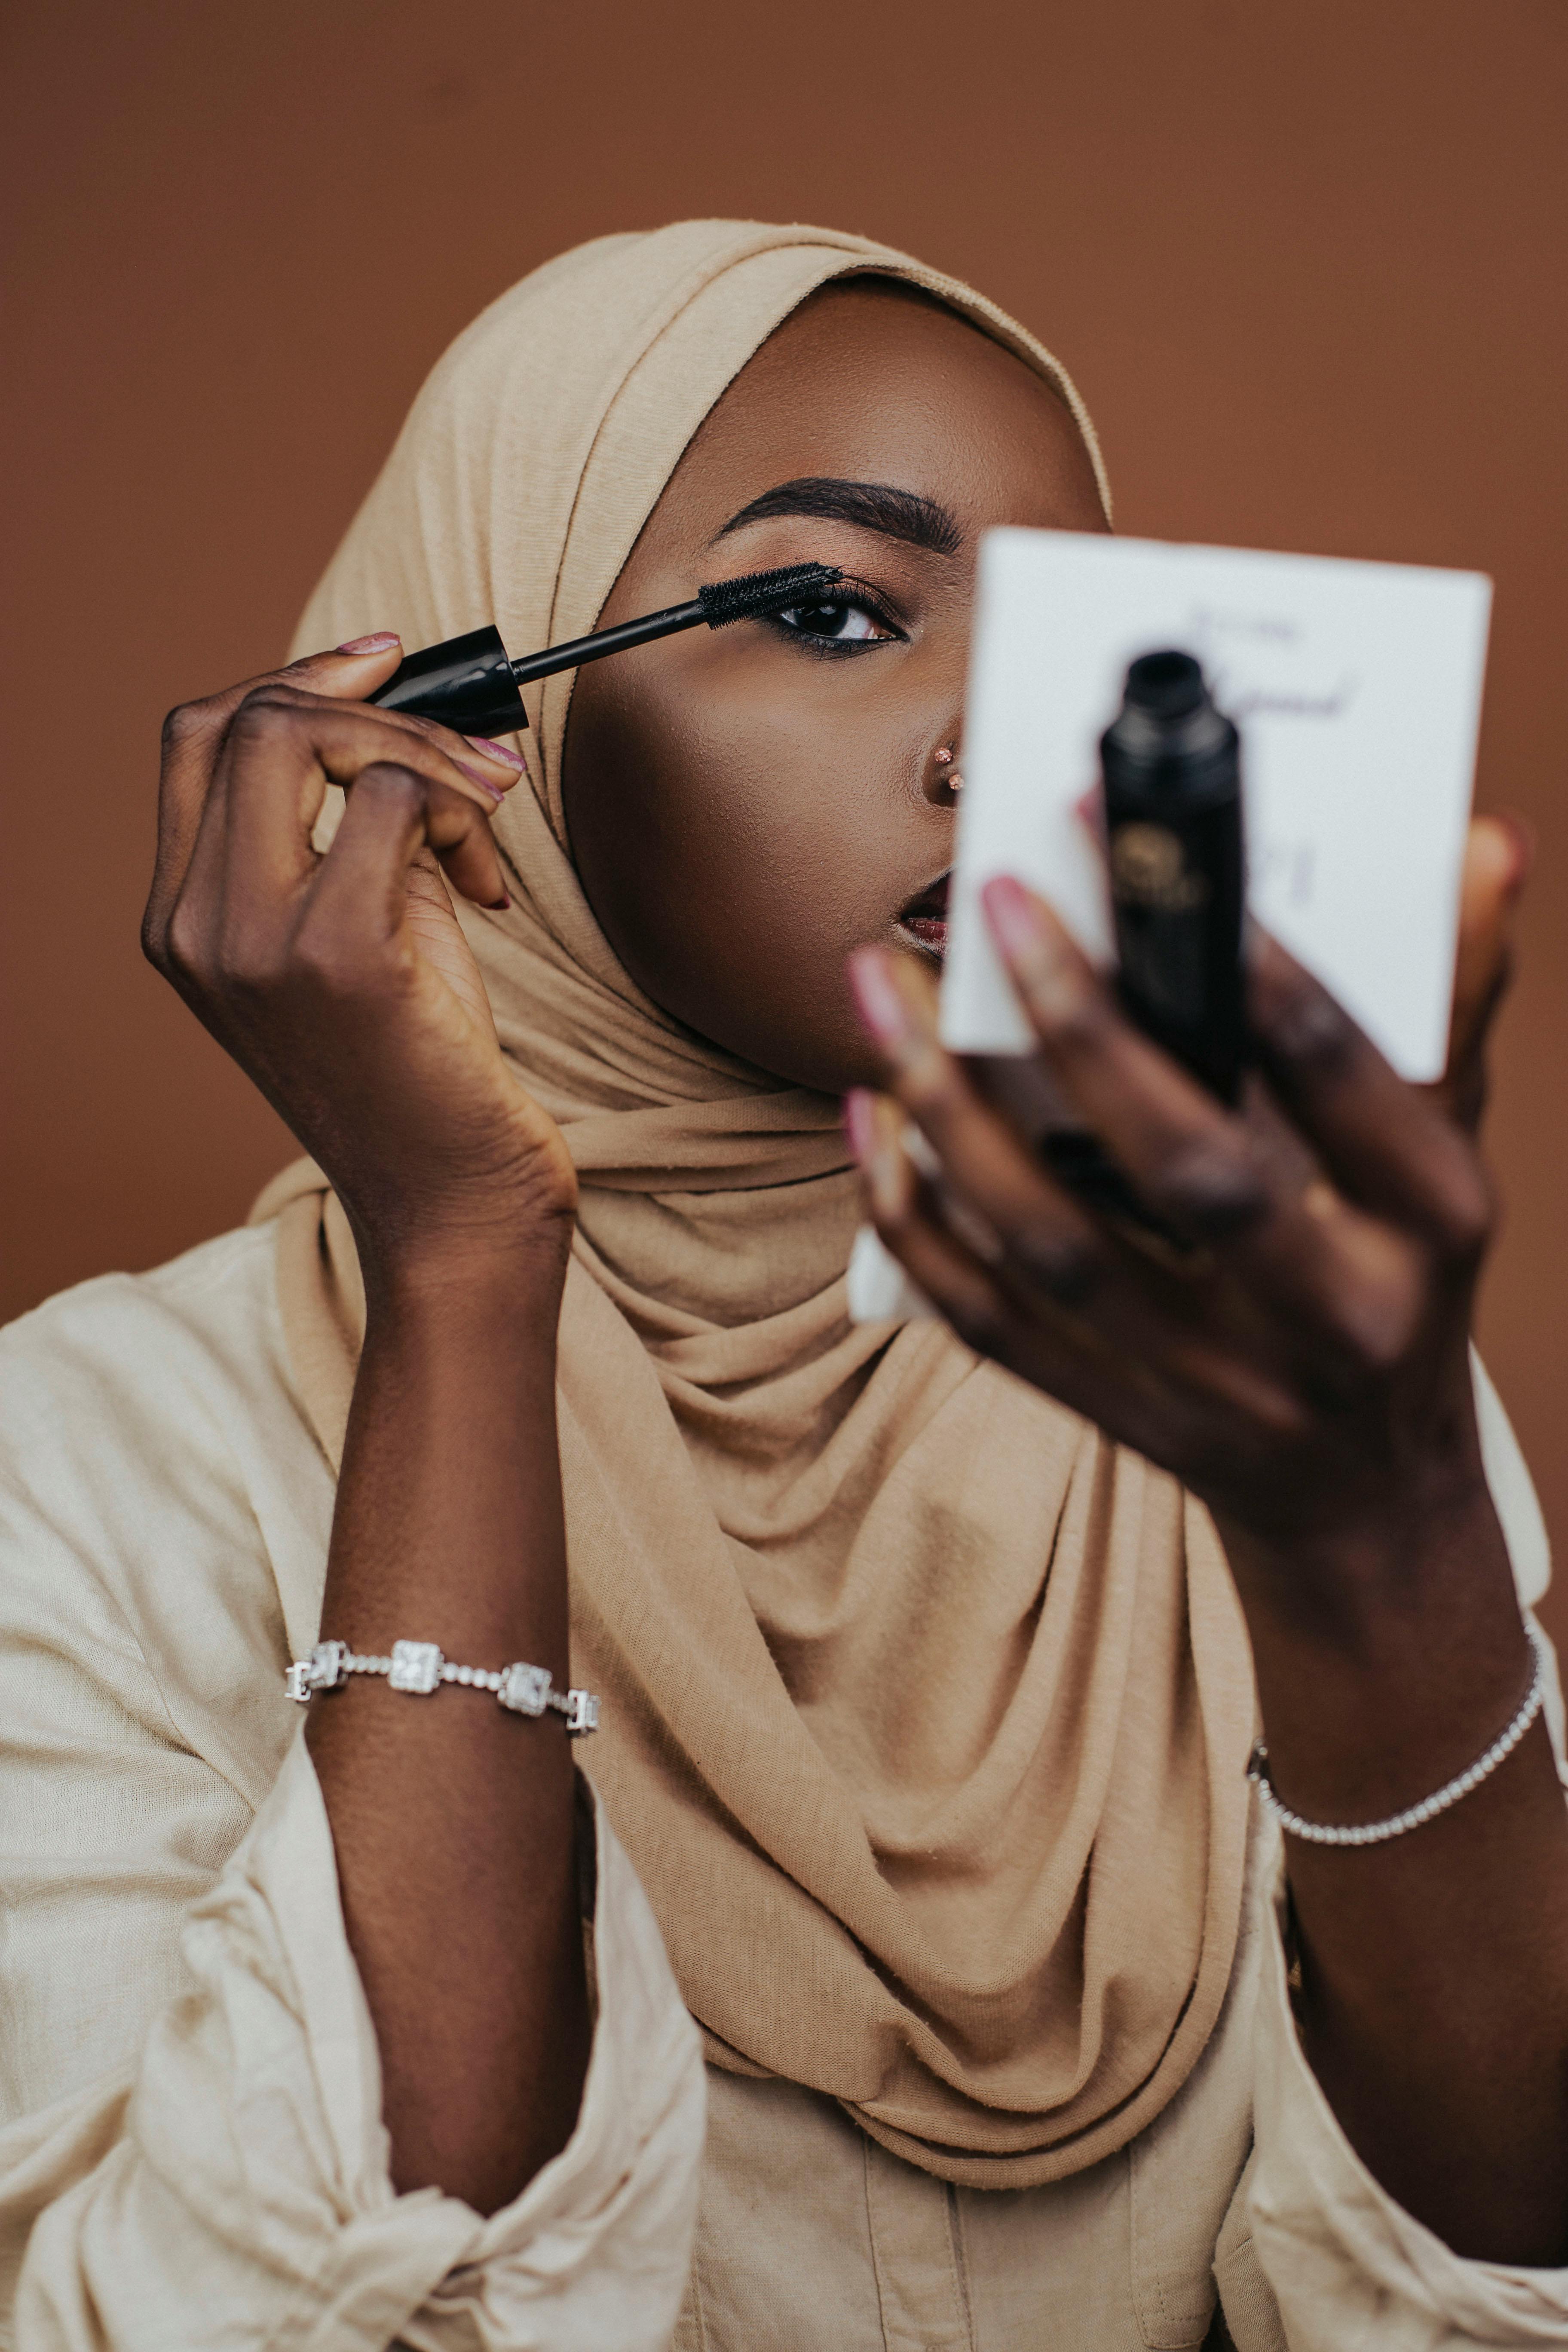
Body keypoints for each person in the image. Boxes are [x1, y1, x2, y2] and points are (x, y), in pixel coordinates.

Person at [2, 218, 1565, 2350]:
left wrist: (1375, 1532)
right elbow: (299, 2308)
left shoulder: (1276, 1369)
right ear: (490, 732)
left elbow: (1506, 2285)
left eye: (1078, 647)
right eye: (831, 607)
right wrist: (460, 1258)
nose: (1010, 748)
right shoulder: (92, 1463)